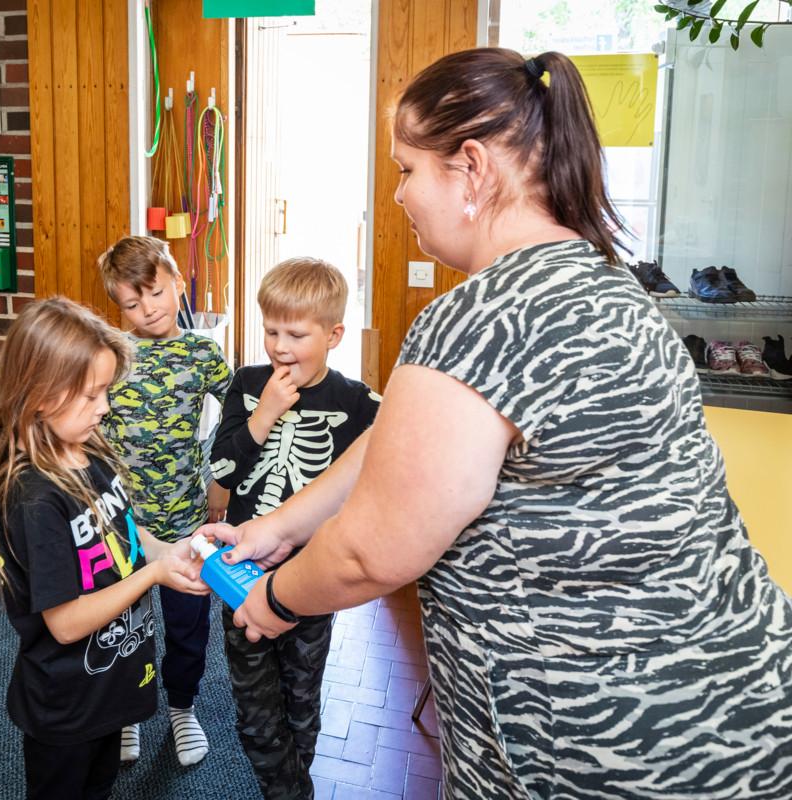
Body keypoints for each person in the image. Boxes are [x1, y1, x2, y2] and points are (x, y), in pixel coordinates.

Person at [201, 48, 792, 798]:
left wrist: (275, 599)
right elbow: (409, 443)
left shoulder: (478, 319)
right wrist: (278, 528)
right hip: (739, 697)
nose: (399, 193)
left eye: (408, 169)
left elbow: (371, 555)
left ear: (472, 167)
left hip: (605, 738)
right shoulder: (610, 281)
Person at [0, 297, 208, 800]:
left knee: (100, 788)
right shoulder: (35, 498)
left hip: (110, 682)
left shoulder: (90, 454)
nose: (105, 406)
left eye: (105, 391)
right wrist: (151, 578)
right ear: (39, 394)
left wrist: (171, 552)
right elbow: (65, 623)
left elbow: (125, 535)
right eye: (91, 395)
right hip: (66, 702)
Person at [209, 257, 380, 799]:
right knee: (254, 707)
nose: (280, 346)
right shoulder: (248, 384)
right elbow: (222, 469)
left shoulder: (357, 402)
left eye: (296, 334)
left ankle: (293, 785)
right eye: (270, 331)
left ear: (333, 335)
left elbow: (377, 478)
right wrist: (264, 416)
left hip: (311, 575)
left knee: (301, 698)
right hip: (240, 569)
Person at [97, 236, 233, 767]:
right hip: (121, 523)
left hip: (186, 519)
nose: (146, 309)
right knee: (124, 624)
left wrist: (222, 482)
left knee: (186, 623)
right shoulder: (111, 352)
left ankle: (181, 707)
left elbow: (238, 412)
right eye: (131, 303)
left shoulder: (203, 352)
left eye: (154, 292)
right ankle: (129, 710)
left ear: (177, 282)